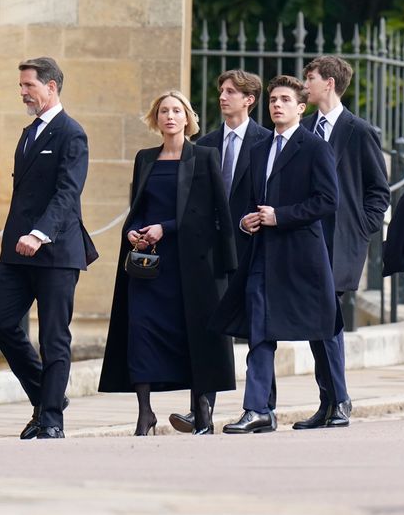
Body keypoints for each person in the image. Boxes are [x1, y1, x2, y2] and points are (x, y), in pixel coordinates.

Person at [98, 91, 237, 435]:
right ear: (155, 118)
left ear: (187, 118)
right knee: (140, 332)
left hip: (192, 267)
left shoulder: (205, 157)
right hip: (149, 267)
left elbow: (214, 215)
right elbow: (139, 208)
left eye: (176, 111)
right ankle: (145, 412)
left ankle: (201, 410)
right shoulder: (145, 158)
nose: (170, 116)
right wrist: (133, 231)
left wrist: (166, 228)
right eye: (163, 111)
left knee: (195, 336)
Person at [211, 75, 339, 434]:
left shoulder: (315, 147)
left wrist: (280, 216)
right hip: (262, 252)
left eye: (285, 100)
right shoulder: (259, 149)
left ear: (301, 108)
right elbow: (254, 200)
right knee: (259, 330)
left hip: (301, 255)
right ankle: (259, 408)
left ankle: (336, 400)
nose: (277, 105)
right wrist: (248, 221)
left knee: (322, 327)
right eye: (273, 100)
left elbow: (328, 201)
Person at [0, 57, 98, 440]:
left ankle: (50, 419)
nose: (22, 92)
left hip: (56, 252)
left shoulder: (72, 133)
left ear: (51, 87)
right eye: (20, 86)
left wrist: (39, 233)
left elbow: (68, 192)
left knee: (54, 337)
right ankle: (47, 395)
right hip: (16, 251)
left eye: (28, 85)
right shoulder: (28, 133)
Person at [168, 70, 270, 433]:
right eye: (221, 90)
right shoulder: (205, 144)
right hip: (210, 252)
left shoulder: (267, 141)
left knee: (260, 327)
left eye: (231, 92)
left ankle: (262, 407)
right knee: (208, 327)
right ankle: (202, 409)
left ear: (249, 100)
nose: (223, 97)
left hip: (253, 247)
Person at [295, 56, 390, 429]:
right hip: (305, 238)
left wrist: (360, 230)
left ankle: (340, 399)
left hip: (341, 242)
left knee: (328, 318)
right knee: (315, 322)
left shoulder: (359, 131)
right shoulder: (303, 130)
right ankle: (329, 401)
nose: (306, 84)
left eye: (311, 77)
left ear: (329, 83)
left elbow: (378, 192)